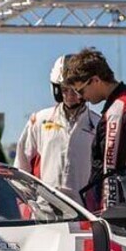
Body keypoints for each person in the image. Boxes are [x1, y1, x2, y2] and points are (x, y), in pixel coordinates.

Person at [62, 47, 126, 210]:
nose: (80, 97)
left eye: (80, 90)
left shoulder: (118, 109)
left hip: (125, 206)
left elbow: (110, 172)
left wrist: (106, 214)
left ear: (95, 80)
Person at [14, 54, 98, 201]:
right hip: (45, 207)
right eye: (65, 90)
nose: (70, 95)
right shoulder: (39, 120)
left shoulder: (98, 124)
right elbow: (22, 164)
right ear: (57, 89)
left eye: (75, 90)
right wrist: (25, 198)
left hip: (83, 208)